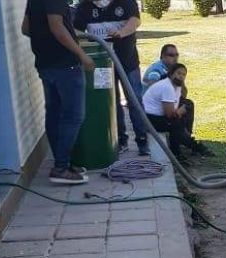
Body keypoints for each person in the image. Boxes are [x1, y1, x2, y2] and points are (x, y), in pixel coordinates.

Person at [22, 0, 96, 185]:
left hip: (45, 63)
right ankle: (61, 167)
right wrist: (81, 53)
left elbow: (26, 28)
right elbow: (56, 26)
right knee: (73, 115)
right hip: (65, 65)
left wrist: (50, 38)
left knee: (54, 114)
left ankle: (62, 163)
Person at [74, 0, 149, 155]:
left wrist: (121, 33)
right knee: (111, 101)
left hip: (127, 62)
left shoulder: (126, 2)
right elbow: (76, 30)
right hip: (101, 65)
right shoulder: (84, 7)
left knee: (134, 99)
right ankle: (120, 140)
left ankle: (142, 140)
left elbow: (135, 20)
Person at [143, 64, 211, 159]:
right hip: (149, 119)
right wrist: (180, 111)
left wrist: (181, 110)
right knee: (175, 124)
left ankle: (182, 148)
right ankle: (189, 148)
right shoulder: (167, 87)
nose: (181, 76)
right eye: (178, 73)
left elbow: (176, 104)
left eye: (183, 75)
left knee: (184, 111)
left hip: (158, 116)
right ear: (171, 74)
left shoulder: (176, 86)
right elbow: (170, 114)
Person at [143, 44, 198, 142]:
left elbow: (183, 94)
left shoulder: (174, 71)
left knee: (187, 105)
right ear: (163, 56)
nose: (175, 58)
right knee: (182, 110)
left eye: (177, 55)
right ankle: (185, 139)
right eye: (171, 55)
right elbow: (153, 87)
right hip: (153, 110)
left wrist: (181, 81)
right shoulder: (156, 70)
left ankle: (184, 136)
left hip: (164, 103)